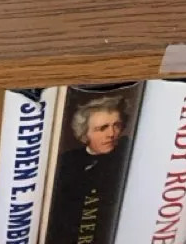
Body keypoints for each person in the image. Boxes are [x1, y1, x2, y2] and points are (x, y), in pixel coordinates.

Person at [48, 95, 131, 244]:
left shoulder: (128, 154)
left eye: (116, 125)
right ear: (85, 133)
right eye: (102, 128)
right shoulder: (66, 162)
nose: (111, 134)